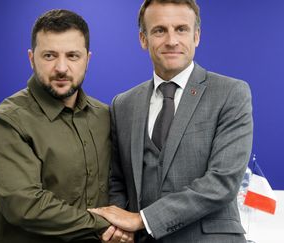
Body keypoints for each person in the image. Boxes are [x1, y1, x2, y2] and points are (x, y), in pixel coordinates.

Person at [89, 0, 253, 242]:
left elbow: (222, 182)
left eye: (181, 29)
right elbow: (117, 180)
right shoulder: (123, 104)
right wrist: (120, 226)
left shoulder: (231, 93)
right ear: (143, 39)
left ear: (196, 36)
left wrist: (141, 220)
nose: (171, 40)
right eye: (159, 30)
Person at [0, 9, 129, 243]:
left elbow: (118, 183)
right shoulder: (6, 122)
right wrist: (106, 224)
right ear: (31, 58)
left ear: (87, 59)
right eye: (49, 56)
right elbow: (25, 206)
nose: (61, 68)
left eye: (72, 56)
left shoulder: (104, 116)